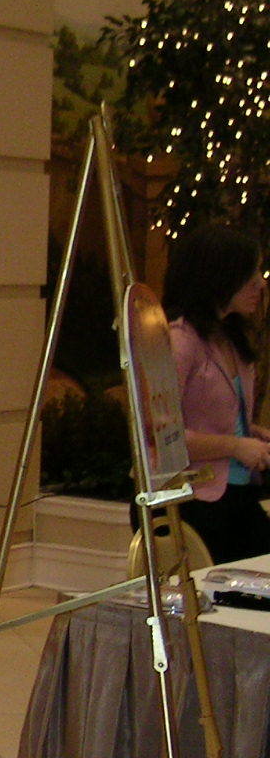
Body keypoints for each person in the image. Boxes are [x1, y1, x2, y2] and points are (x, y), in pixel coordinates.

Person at [164, 222, 270, 563]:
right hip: (196, 499)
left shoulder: (230, 339)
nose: (260, 283)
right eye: (250, 273)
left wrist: (250, 434)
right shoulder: (179, 340)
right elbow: (160, 435)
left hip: (236, 492)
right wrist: (236, 445)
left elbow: (211, 416)